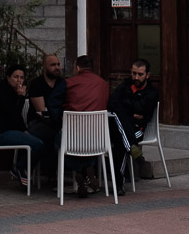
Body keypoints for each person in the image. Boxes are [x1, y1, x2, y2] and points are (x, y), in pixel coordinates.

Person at [0, 63, 45, 188]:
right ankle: (20, 168)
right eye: (15, 77)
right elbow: (12, 114)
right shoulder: (1, 91)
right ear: (8, 78)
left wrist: (24, 130)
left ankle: (23, 169)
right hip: (0, 134)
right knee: (37, 144)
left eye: (22, 77)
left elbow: (18, 118)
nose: (19, 80)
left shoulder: (14, 93)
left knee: (41, 138)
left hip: (12, 131)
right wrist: (21, 98)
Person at [108, 59, 159, 192]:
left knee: (120, 141)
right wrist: (132, 112)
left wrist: (124, 107)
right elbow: (111, 102)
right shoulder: (125, 85)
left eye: (140, 74)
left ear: (147, 75)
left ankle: (118, 183)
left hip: (138, 130)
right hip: (124, 128)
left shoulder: (152, 93)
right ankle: (131, 146)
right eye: (134, 73)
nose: (136, 77)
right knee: (121, 135)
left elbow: (142, 108)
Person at [63, 55, 110, 198]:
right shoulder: (103, 84)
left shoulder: (69, 83)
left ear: (77, 67)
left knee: (59, 142)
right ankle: (88, 168)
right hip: (97, 138)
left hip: (74, 135)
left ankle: (78, 172)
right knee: (85, 145)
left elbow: (60, 103)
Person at [27, 53, 66, 176]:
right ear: (44, 67)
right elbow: (42, 111)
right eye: (53, 65)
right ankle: (52, 173)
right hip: (37, 122)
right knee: (53, 135)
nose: (57, 68)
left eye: (58, 64)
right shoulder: (37, 83)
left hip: (58, 122)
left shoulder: (62, 83)